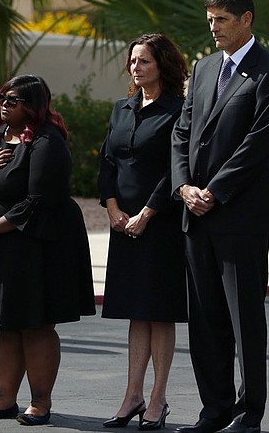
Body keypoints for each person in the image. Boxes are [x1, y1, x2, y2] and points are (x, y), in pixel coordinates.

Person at [172, 0, 269, 433]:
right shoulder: (204, 69)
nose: (213, 27)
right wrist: (184, 186)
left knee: (244, 321)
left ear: (246, 19)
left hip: (239, 217)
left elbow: (258, 145)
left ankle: (249, 413)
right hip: (194, 213)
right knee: (204, 321)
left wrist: (214, 191)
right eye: (210, 20)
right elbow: (182, 132)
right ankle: (214, 410)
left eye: (221, 19)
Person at [0, 75, 95, 426]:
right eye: (2, 98)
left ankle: (40, 402)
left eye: (13, 100)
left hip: (36, 245)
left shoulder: (47, 141)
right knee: (8, 324)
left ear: (33, 107)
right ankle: (5, 399)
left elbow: (39, 201)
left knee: (35, 324)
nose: (3, 105)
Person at [97, 34, 189, 430]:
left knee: (159, 313)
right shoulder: (122, 108)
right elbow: (107, 163)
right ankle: (132, 395)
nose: (136, 67)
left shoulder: (180, 110)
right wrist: (114, 209)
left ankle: (157, 400)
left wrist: (148, 213)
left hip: (162, 225)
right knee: (136, 313)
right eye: (133, 61)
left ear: (163, 65)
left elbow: (177, 166)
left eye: (145, 61)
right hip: (123, 226)